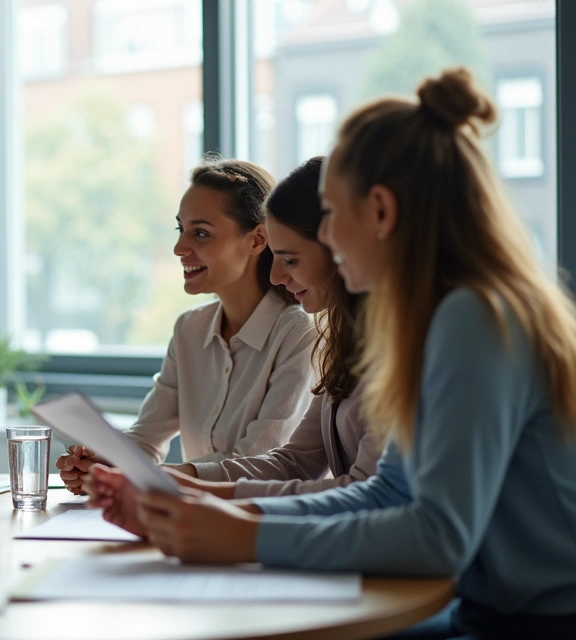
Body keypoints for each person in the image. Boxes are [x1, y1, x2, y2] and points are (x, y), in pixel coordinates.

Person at [91, 68, 576, 638]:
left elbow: (439, 537)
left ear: (380, 211)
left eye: (332, 213)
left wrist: (241, 533)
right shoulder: (439, 317)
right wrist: (221, 515)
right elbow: (389, 491)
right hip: (496, 611)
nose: (329, 239)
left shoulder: (473, 317)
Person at [57, 157, 315, 493]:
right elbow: (147, 438)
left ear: (256, 240)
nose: (180, 248)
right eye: (181, 229)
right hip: (193, 519)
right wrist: (104, 463)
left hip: (262, 526)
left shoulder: (298, 334)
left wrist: (149, 475)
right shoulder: (189, 330)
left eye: (201, 233)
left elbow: (257, 462)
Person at [161, 157, 382, 499]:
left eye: (291, 260)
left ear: (339, 247)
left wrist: (227, 512)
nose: (276, 275)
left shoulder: (387, 349)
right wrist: (181, 477)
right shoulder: (343, 342)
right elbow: (294, 462)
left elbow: (367, 492)